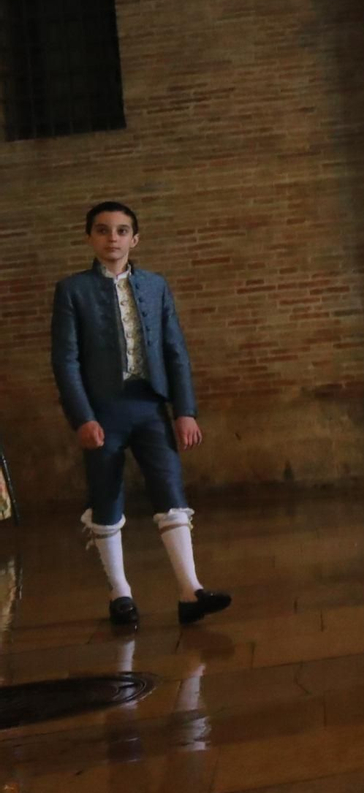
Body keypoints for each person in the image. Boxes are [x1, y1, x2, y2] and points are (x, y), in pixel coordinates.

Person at [51, 201, 231, 630]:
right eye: (102, 230)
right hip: (103, 411)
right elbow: (66, 361)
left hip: (151, 405)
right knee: (106, 495)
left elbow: (175, 351)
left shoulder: (155, 285)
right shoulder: (72, 290)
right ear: (90, 237)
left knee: (172, 491)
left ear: (136, 238)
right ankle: (120, 594)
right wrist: (82, 418)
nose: (112, 238)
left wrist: (184, 411)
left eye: (121, 230)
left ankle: (190, 592)